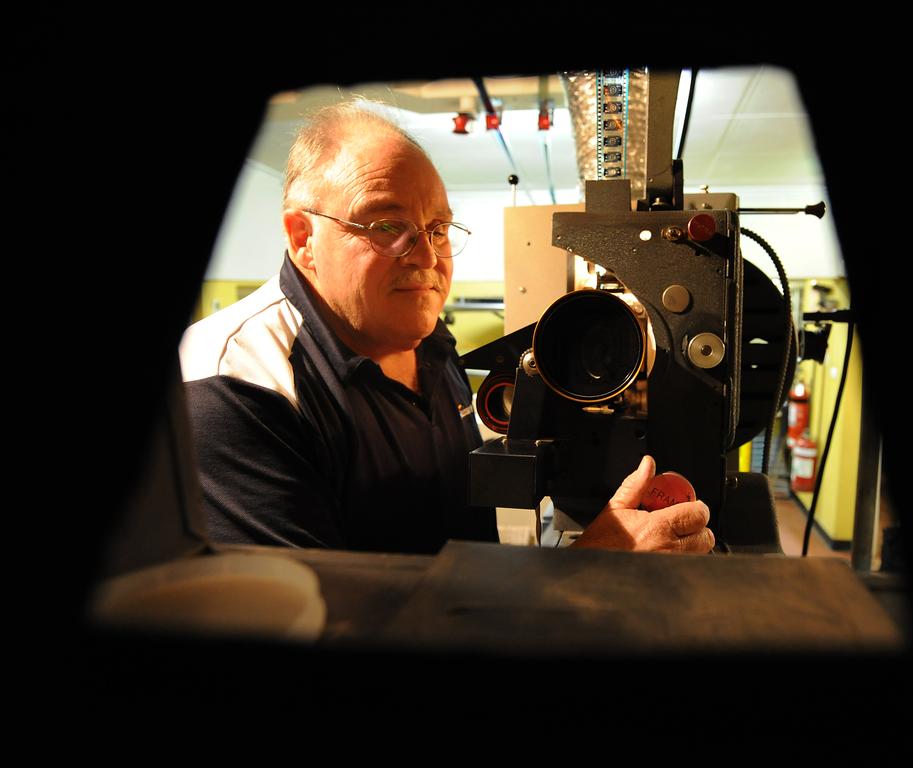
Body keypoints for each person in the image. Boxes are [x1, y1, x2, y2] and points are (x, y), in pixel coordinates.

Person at [180, 102, 714, 556]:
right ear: (302, 238)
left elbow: (459, 559)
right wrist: (588, 570)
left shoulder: (431, 345)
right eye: (388, 226)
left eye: (438, 228)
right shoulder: (235, 387)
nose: (427, 257)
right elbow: (317, 621)